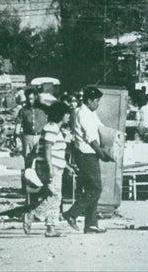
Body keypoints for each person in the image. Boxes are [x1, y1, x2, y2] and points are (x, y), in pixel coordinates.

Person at [62, 86, 114, 234]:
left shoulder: (90, 113)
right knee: (95, 188)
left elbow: (100, 128)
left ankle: (91, 224)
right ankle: (72, 213)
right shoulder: (82, 113)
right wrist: (102, 153)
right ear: (89, 100)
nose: (98, 104)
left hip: (90, 154)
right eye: (96, 101)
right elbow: (90, 137)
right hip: (86, 154)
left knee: (91, 188)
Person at [23, 102, 71, 238]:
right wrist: (50, 168)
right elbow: (48, 149)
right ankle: (32, 216)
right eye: (66, 114)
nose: (68, 116)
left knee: (55, 196)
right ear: (60, 115)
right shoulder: (52, 128)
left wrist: (66, 166)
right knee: (54, 196)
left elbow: (55, 151)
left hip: (56, 166)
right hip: (50, 167)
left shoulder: (54, 128)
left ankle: (51, 228)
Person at [16, 88, 47, 161]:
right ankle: (27, 171)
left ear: (35, 97)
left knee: (39, 158)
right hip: (27, 137)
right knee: (27, 159)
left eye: (32, 99)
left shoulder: (43, 109)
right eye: (28, 99)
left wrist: (42, 101)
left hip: (40, 137)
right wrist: (17, 136)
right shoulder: (23, 110)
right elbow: (18, 123)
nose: (30, 101)